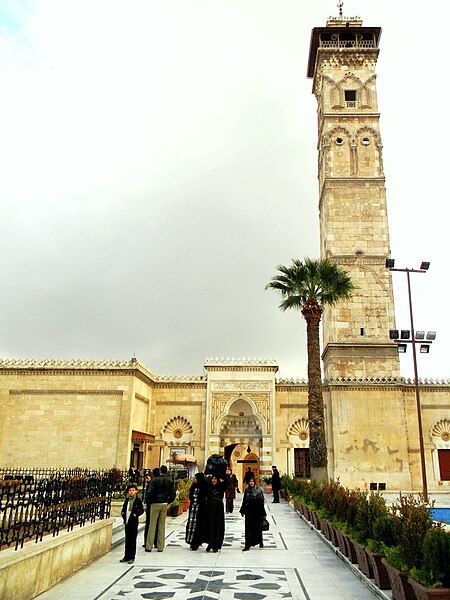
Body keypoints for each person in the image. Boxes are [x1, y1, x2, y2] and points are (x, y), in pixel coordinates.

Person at [145, 465, 175, 552]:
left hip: (155, 503)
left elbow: (149, 493)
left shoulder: (154, 481)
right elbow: (173, 494)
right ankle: (160, 546)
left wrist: (148, 502)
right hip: (164, 504)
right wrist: (168, 502)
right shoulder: (170, 481)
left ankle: (149, 546)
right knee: (161, 526)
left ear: (160, 471)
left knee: (152, 525)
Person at [240, 476, 266, 551]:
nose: (251, 483)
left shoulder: (258, 490)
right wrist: (242, 511)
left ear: (254, 482)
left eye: (252, 481)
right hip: (249, 512)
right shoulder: (247, 490)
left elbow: (261, 503)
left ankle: (260, 541)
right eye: (250, 481)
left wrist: (263, 513)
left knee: (257, 528)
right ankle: (247, 544)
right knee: (248, 528)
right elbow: (244, 501)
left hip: (257, 512)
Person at [120, 483, 144, 564]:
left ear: (136, 491)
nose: (131, 492)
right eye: (129, 490)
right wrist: (123, 514)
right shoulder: (127, 500)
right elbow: (123, 509)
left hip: (133, 523)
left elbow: (141, 510)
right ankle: (126, 556)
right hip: (127, 522)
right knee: (127, 540)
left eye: (133, 490)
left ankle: (131, 557)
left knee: (133, 540)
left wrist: (135, 514)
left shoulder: (137, 501)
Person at [185, 472, 207, 550]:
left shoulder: (203, 485)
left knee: (197, 525)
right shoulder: (196, 485)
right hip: (195, 508)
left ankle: (195, 542)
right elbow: (191, 494)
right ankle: (192, 541)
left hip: (199, 508)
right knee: (193, 524)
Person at [205, 474, 225, 552]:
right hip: (210, 508)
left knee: (217, 526)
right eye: (212, 478)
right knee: (210, 526)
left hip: (218, 509)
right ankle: (210, 543)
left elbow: (227, 483)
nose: (213, 480)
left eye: (215, 479)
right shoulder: (209, 487)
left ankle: (216, 545)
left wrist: (225, 475)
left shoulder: (220, 487)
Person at [142, 468, 159, 548]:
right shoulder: (160, 481)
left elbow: (148, 494)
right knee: (157, 524)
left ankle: (147, 542)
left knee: (149, 523)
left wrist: (146, 504)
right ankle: (156, 542)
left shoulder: (152, 483)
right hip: (160, 504)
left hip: (151, 505)